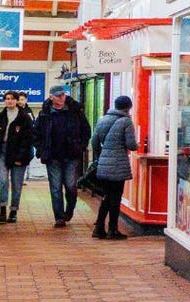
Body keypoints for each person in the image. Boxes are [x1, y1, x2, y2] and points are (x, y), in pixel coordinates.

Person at [34, 89, 90, 228]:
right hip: (52, 156)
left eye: (63, 95)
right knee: (55, 187)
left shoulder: (75, 112)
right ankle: (59, 217)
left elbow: (86, 130)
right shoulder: (45, 114)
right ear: (51, 97)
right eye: (58, 96)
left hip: (71, 155)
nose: (61, 97)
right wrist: (41, 149)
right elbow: (36, 134)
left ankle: (69, 209)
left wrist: (80, 146)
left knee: (71, 186)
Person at [88, 96, 138, 239]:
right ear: (128, 107)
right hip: (118, 165)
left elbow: (94, 141)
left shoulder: (102, 119)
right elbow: (131, 145)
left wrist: (100, 157)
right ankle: (112, 230)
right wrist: (138, 144)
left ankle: (98, 228)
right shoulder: (126, 121)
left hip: (104, 164)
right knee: (115, 198)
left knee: (107, 196)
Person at [0, 91, 36, 223]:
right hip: (1, 152)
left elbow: (28, 140)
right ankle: (2, 209)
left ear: (17, 101)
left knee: (17, 185)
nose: (9, 101)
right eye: (6, 99)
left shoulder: (24, 118)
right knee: (3, 182)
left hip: (18, 153)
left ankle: (13, 210)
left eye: (12, 99)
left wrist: (21, 157)